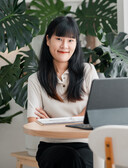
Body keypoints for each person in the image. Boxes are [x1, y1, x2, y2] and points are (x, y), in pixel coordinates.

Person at [27, 16, 99, 168]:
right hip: (51, 146)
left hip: (85, 144)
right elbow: (33, 122)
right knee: (68, 158)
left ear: (76, 44)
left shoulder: (88, 71)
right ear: (48, 40)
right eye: (59, 38)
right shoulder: (36, 79)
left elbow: (95, 111)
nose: (64, 45)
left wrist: (52, 122)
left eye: (71, 40)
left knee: (79, 159)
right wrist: (79, 117)